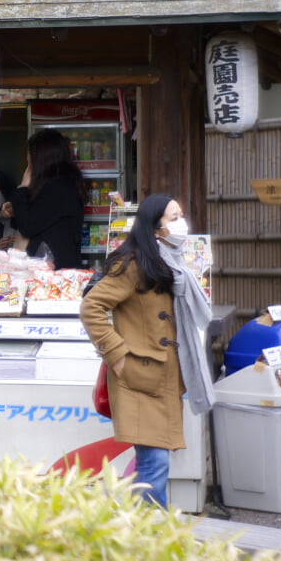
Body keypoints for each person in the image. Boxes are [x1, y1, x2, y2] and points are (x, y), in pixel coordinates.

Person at [79, 193, 215, 509]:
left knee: (154, 464)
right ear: (155, 228)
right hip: (140, 376)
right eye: (173, 218)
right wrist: (117, 355)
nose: (182, 224)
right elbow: (92, 307)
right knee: (154, 466)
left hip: (162, 377)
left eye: (181, 216)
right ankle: (150, 541)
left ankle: (142, 537)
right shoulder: (133, 264)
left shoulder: (172, 263)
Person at [9, 129, 85, 269]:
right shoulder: (61, 184)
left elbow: (28, 227)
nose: (27, 158)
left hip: (56, 275)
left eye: (29, 153)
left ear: (39, 157)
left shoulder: (58, 187)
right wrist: (15, 207)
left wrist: (22, 189)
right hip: (53, 271)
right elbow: (31, 220)